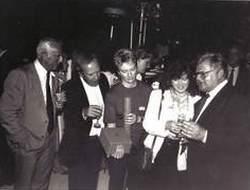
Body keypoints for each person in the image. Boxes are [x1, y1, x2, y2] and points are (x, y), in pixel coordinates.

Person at [0, 37, 64, 190]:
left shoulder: (54, 77)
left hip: (48, 142)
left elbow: (48, 107)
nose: (61, 59)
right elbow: (6, 112)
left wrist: (59, 105)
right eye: (57, 55)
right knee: (24, 186)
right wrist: (22, 139)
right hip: (27, 145)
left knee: (42, 184)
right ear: (44, 55)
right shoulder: (20, 75)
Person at [180, 53, 250, 190]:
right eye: (196, 75)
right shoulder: (202, 99)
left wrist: (204, 135)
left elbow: (241, 141)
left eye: (203, 74)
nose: (198, 79)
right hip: (198, 176)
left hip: (218, 179)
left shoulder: (238, 100)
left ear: (220, 73)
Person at [142, 59, 199, 190]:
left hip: (184, 152)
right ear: (170, 79)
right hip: (162, 149)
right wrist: (166, 125)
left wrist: (188, 135)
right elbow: (147, 124)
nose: (180, 84)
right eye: (176, 79)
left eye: (184, 79)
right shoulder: (159, 95)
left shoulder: (195, 99)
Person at [59, 49, 110, 190]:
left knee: (92, 179)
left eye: (98, 71)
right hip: (79, 141)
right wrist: (83, 112)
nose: (96, 77)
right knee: (78, 182)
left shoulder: (104, 81)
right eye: (91, 74)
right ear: (80, 73)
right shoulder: (69, 87)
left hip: (98, 139)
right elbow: (67, 116)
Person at [104, 48, 151, 190]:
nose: (130, 75)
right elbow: (111, 125)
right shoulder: (112, 94)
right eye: (124, 71)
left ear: (136, 67)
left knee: (138, 184)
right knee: (116, 183)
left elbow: (153, 120)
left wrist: (138, 119)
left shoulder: (147, 91)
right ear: (118, 72)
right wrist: (117, 145)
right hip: (120, 144)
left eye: (132, 69)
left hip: (140, 145)